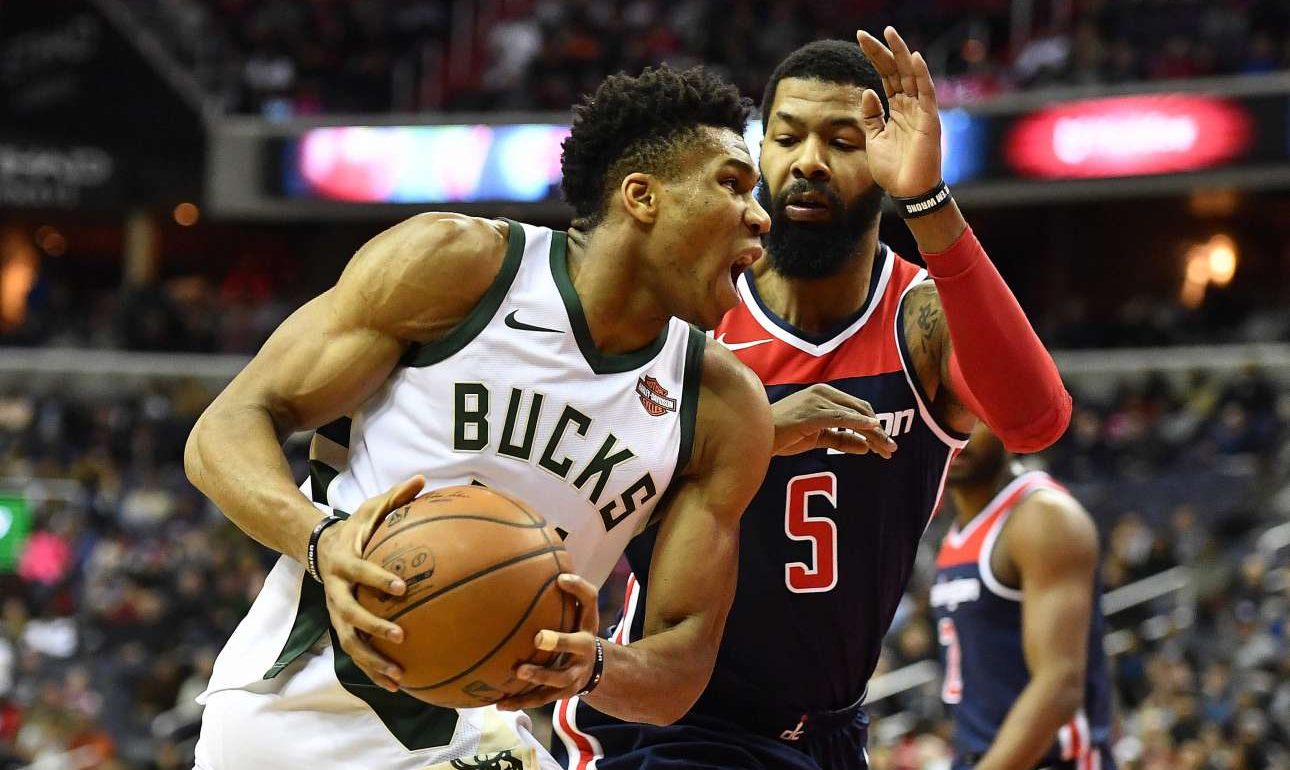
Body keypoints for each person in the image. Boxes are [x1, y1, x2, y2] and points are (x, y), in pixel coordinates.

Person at [183, 65, 806, 770]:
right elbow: (224, 429)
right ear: (642, 196)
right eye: (733, 184)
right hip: (294, 709)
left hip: (469, 724)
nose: (760, 216)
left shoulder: (721, 405)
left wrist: (594, 666)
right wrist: (321, 541)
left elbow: (680, 668)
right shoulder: (463, 267)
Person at [555, 28, 1071, 770]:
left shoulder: (918, 320)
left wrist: (927, 200)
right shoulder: (698, 310)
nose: (808, 162)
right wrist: (756, 432)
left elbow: (1035, 420)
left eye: (843, 141)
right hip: (675, 720)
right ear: (758, 153)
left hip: (829, 730)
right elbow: (589, 477)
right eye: (787, 137)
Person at [932, 422, 1115, 770]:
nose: (961, 431)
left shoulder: (1044, 516)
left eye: (977, 417)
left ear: (1007, 420)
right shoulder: (955, 533)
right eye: (950, 413)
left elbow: (1060, 684)